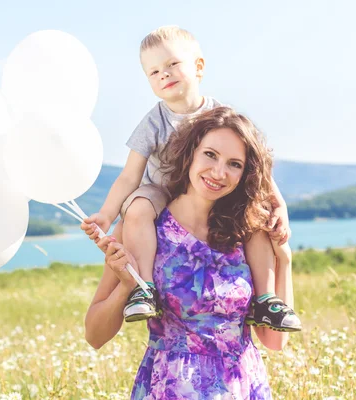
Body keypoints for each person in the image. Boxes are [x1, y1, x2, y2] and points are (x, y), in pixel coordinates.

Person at [82, 25, 299, 331]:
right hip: (162, 189)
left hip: (211, 193)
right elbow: (129, 176)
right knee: (138, 208)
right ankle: (143, 289)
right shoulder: (153, 122)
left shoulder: (220, 114)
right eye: (153, 72)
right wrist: (106, 214)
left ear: (198, 67)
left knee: (255, 215)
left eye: (172, 65)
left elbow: (257, 169)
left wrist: (279, 206)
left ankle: (266, 299)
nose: (163, 75)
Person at [84, 106, 297, 398]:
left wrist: (284, 261)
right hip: (169, 387)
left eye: (234, 164)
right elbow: (95, 336)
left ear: (246, 173)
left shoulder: (249, 231)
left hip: (240, 387)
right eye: (210, 155)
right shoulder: (142, 227)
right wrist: (126, 286)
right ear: (190, 153)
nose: (218, 173)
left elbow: (274, 341)